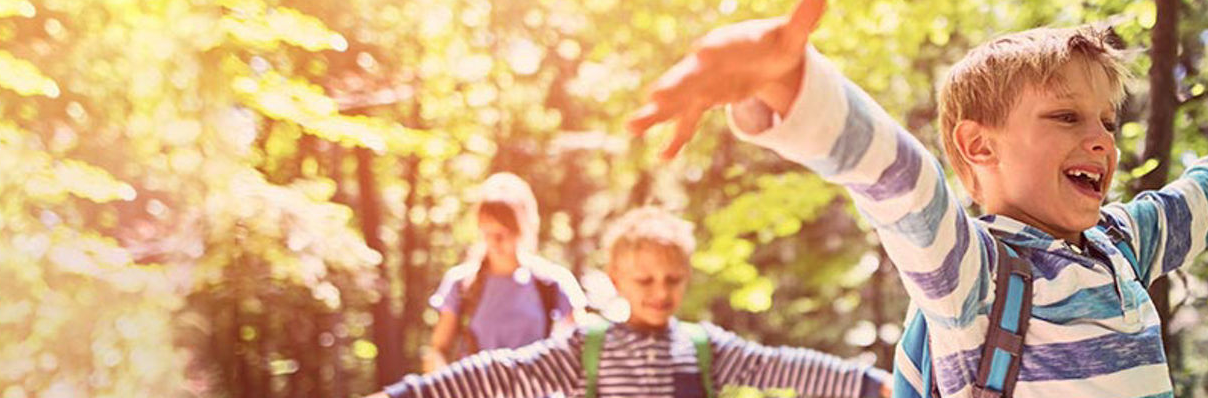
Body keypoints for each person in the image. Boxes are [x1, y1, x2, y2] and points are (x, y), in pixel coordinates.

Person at [624, 0, 1208, 396]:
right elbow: (899, 180)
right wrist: (792, 87)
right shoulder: (971, 275)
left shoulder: (1125, 242)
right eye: (1066, 118)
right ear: (979, 147)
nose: (1102, 141)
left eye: (1107, 123)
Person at [371, 207, 892, 398]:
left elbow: (785, 369)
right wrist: (407, 394)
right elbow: (500, 373)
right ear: (616, 278)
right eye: (644, 279)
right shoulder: (585, 348)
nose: (659, 292)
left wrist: (875, 386)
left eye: (672, 280)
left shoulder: (703, 347)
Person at [421, 172, 587, 372]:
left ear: (522, 229)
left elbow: (583, 347)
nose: (495, 242)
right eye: (488, 233)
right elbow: (437, 350)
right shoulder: (461, 284)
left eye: (504, 233)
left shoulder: (551, 283)